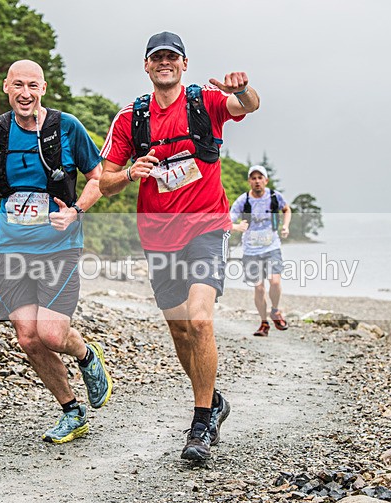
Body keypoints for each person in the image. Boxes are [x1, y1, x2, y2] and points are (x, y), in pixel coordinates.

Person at [0, 60, 112, 444]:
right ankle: (72, 411)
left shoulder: (67, 128)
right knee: (27, 338)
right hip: (11, 248)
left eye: (32, 85)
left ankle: (85, 355)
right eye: (18, 85)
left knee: (50, 332)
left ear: (43, 88)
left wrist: (77, 210)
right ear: (6, 87)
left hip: (59, 247)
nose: (25, 93)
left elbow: (99, 178)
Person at [99, 32, 260, 461]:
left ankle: (201, 422)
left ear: (184, 64)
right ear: (147, 66)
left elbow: (250, 105)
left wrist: (241, 89)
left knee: (201, 321)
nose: (165, 63)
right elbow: (105, 181)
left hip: (207, 227)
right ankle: (214, 399)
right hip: (157, 237)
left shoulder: (203, 102)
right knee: (180, 329)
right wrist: (132, 172)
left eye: (172, 57)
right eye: (157, 58)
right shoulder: (130, 119)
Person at [230, 164, 292, 336]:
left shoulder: (274, 196)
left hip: (272, 247)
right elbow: (229, 219)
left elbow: (286, 209)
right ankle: (264, 323)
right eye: (253, 178)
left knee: (275, 282)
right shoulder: (244, 201)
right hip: (251, 251)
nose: (257, 181)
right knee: (258, 288)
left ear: (266, 180)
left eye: (260, 178)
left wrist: (285, 226)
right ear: (249, 181)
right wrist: (237, 227)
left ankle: (275, 310)